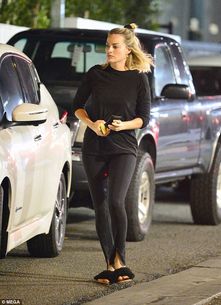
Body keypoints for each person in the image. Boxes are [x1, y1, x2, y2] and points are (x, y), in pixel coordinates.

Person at [74, 23, 153, 285]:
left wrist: (124, 125)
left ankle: (121, 260)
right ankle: (109, 264)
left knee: (116, 201)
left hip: (124, 146)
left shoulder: (139, 78)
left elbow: (144, 118)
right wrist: (92, 124)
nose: (108, 50)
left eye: (114, 46)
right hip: (95, 147)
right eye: (107, 45)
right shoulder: (95, 74)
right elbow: (77, 107)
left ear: (128, 50)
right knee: (100, 207)